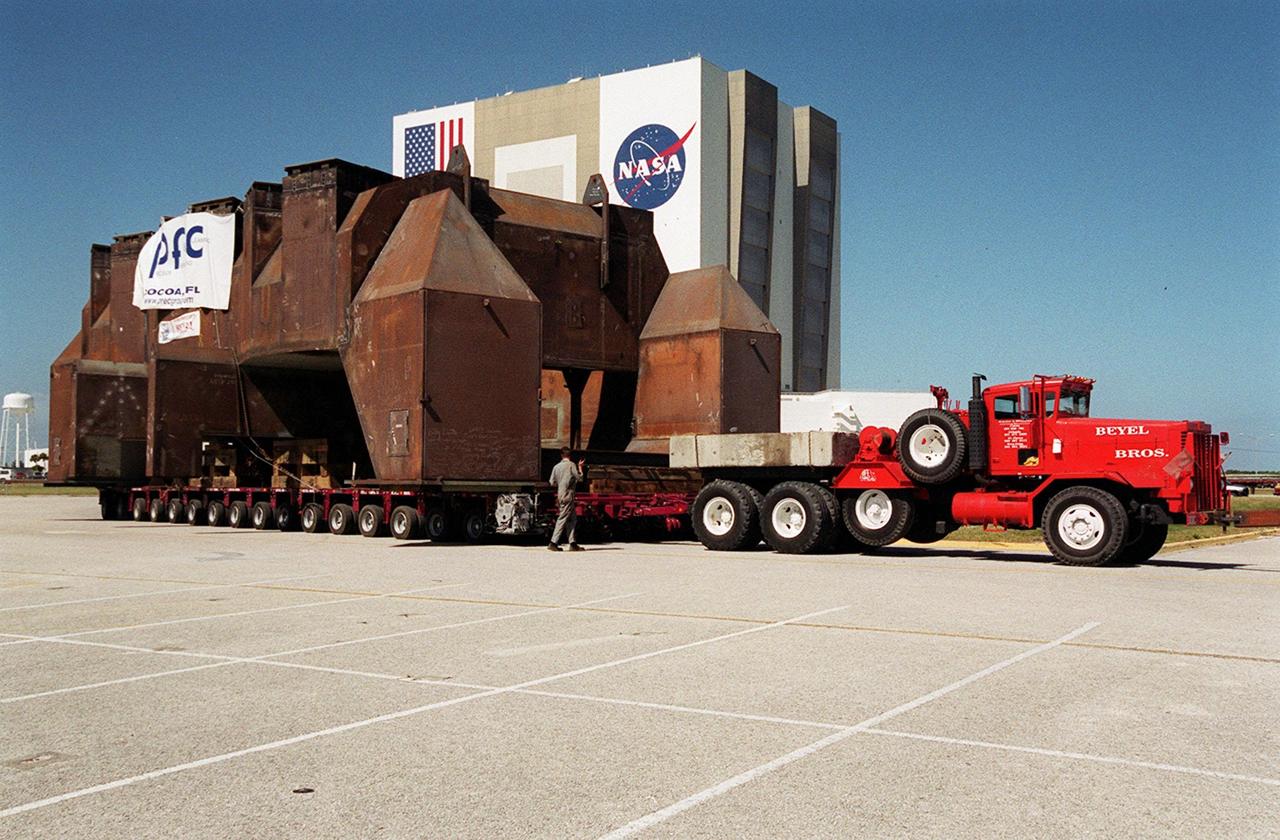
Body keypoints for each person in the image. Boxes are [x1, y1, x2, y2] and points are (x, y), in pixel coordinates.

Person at [548, 447, 585, 551]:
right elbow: (580, 478)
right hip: (568, 495)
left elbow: (552, 482)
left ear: (561, 455)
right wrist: (580, 467)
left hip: (560, 495)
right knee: (563, 518)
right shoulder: (571, 465)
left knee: (572, 519)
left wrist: (561, 484)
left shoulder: (556, 466)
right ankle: (553, 542)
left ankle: (572, 543)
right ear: (570, 455)